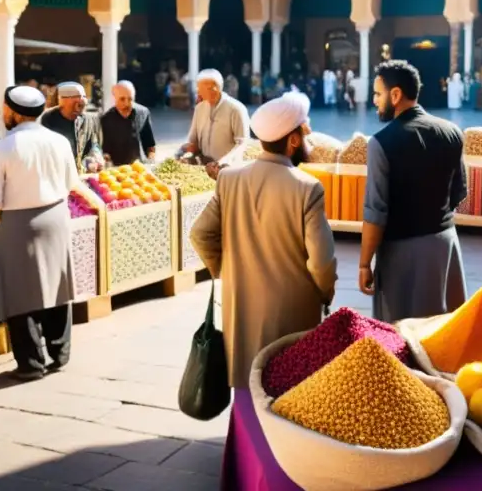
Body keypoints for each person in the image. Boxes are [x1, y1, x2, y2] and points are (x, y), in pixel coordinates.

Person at [190, 92, 337, 386]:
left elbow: (199, 233)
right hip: (293, 309)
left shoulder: (229, 179)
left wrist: (225, 270)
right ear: (293, 141)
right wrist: (325, 293)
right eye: (304, 133)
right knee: (287, 391)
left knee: (246, 382)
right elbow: (321, 261)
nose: (308, 140)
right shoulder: (308, 188)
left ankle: (246, 434)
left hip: (241, 301)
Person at [0, 86, 79, 381]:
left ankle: (31, 363)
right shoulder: (58, 140)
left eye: (5, 109)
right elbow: (72, 181)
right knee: (57, 284)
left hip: (20, 224)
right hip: (57, 217)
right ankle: (60, 354)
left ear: (13, 112)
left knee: (20, 293)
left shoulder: (1, 148)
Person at [358, 60, 467, 323]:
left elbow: (376, 213)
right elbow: (459, 193)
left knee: (403, 336)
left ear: (395, 95)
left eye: (377, 94)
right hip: (446, 245)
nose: (374, 100)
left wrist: (364, 264)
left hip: (403, 256)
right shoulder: (452, 132)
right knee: (442, 331)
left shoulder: (381, 143)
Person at [182, 69, 250, 180]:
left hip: (229, 173)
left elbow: (242, 143)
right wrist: (186, 152)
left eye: (206, 88)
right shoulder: (199, 108)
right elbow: (192, 139)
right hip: (203, 170)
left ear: (218, 88)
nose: (201, 92)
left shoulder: (236, 109)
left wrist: (222, 163)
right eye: (200, 89)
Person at [39, 82, 104, 173]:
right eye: (75, 96)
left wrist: (95, 159)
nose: (82, 100)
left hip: (77, 177)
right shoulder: (44, 120)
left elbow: (93, 146)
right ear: (60, 100)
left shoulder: (87, 120)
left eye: (83, 96)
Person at [100, 81, 156, 167]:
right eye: (122, 99)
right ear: (114, 98)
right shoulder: (106, 119)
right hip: (117, 169)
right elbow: (105, 150)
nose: (126, 103)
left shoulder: (143, 113)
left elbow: (150, 144)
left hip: (141, 167)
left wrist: (151, 161)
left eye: (130, 99)